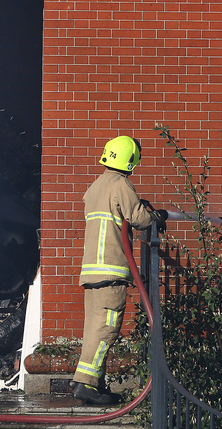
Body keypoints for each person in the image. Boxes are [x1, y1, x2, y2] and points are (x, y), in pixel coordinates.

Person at [72, 135, 167, 405]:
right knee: (107, 330)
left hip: (92, 272)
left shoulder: (96, 186)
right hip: (111, 271)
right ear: (130, 160)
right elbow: (138, 218)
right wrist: (157, 217)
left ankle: (94, 383)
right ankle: (86, 384)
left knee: (94, 328)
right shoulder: (120, 183)